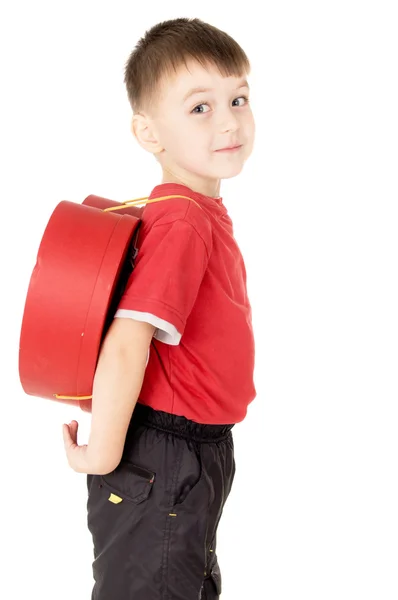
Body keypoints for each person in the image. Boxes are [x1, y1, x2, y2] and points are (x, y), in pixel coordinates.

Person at [62, 16, 256, 599]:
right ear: (150, 133)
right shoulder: (184, 222)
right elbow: (128, 340)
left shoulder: (193, 211)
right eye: (200, 107)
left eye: (238, 98)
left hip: (193, 449)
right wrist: (102, 453)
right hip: (164, 452)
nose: (229, 121)